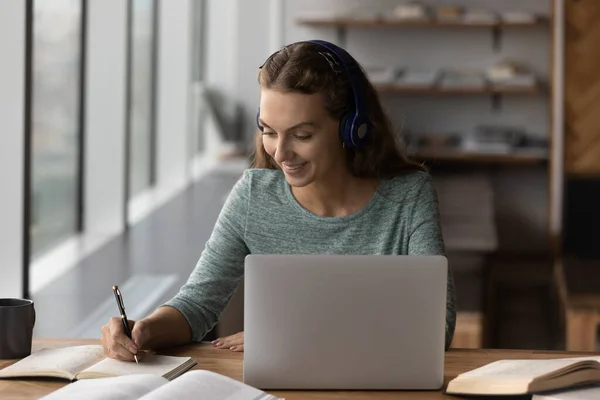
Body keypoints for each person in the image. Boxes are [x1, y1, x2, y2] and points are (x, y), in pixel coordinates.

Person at [100, 40, 456, 361]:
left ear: (353, 128)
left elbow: (437, 325)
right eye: (268, 131)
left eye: (302, 134)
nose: (281, 153)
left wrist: (289, 339)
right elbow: (197, 304)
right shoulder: (254, 196)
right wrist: (144, 328)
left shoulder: (409, 196)